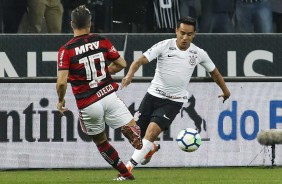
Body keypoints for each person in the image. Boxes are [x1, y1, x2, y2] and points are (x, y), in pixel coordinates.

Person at [121, 16, 230, 171]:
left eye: (189, 34)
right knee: (134, 136)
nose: (185, 37)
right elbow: (139, 61)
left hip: (173, 101)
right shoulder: (164, 46)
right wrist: (129, 75)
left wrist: (226, 91)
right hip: (152, 96)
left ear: (194, 35)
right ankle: (150, 149)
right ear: (176, 31)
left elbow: (215, 74)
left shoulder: (198, 53)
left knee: (151, 133)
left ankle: (127, 169)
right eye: (182, 33)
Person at [56, 5, 143, 181]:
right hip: (108, 94)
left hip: (88, 103)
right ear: (91, 24)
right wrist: (102, 73)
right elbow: (122, 64)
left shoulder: (66, 50)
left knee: (101, 142)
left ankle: (125, 173)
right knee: (131, 125)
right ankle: (131, 130)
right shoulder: (101, 40)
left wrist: (60, 100)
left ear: (72, 24)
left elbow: (61, 82)